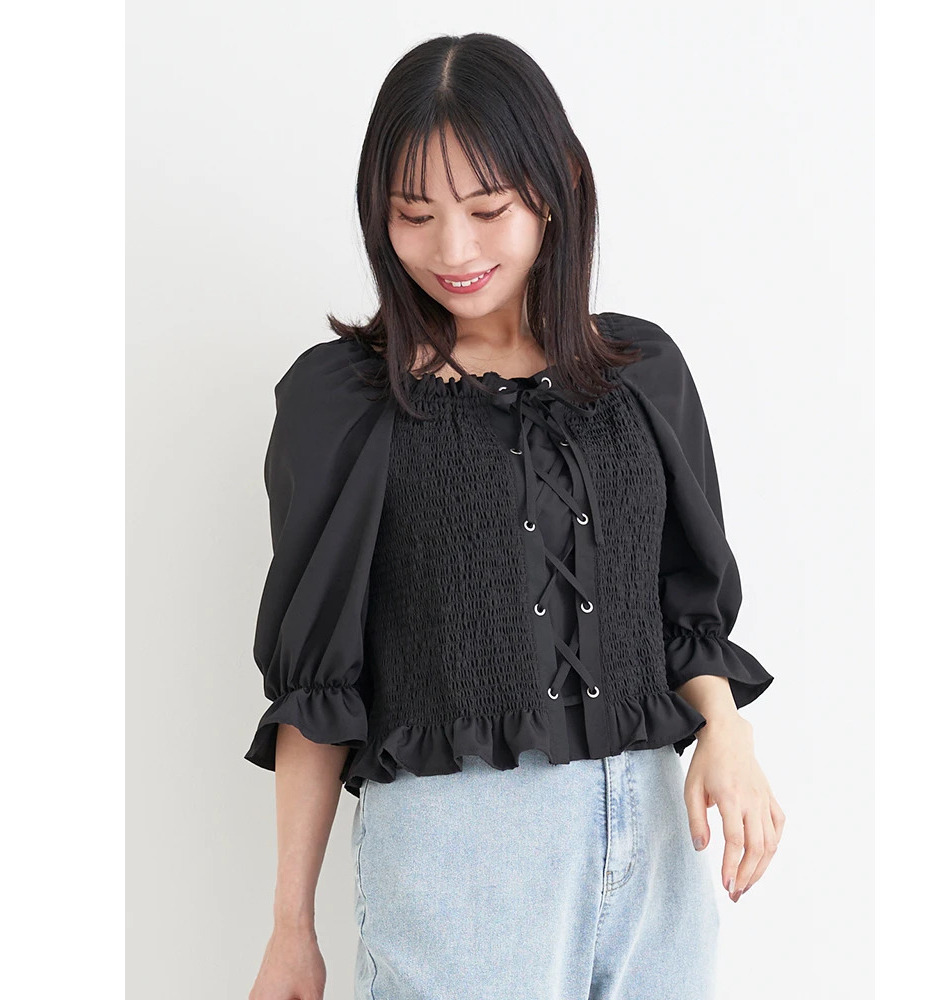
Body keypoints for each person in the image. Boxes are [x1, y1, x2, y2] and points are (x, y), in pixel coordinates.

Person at [245, 32, 784, 1000]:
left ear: (557, 187)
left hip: (657, 844)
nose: (453, 250)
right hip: (464, 855)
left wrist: (726, 735)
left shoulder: (642, 375)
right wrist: (291, 926)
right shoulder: (349, 403)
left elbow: (683, 609)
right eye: (414, 215)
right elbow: (319, 683)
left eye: (487, 209)